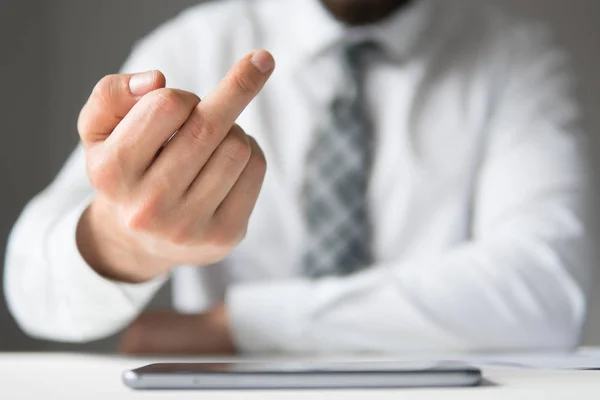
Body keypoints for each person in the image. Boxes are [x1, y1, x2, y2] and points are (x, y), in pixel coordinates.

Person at [4, 0, 595, 355]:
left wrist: (239, 325)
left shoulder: (516, 59)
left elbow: (545, 288)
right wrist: (121, 241)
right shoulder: (196, 44)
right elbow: (33, 288)